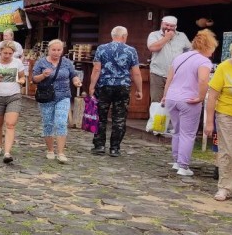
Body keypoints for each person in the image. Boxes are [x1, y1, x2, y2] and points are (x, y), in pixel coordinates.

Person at [161, 29, 218, 177]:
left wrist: (165, 95)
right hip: (189, 99)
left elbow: (169, 79)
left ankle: (176, 160)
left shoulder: (179, 57)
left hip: (172, 98)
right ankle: (183, 165)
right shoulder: (204, 61)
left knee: (177, 131)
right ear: (208, 46)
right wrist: (200, 96)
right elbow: (203, 80)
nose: (213, 52)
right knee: (188, 134)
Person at [88, 26, 143, 157]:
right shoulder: (131, 51)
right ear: (124, 36)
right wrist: (139, 89)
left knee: (101, 116)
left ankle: (99, 146)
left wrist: (91, 86)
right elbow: (136, 73)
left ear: (112, 36)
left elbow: (96, 70)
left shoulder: (102, 48)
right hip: (122, 87)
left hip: (104, 86)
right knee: (119, 118)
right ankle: (115, 148)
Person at [32, 39, 81, 163]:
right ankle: (50, 150)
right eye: (53, 50)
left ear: (62, 50)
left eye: (59, 50)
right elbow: (34, 79)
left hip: (63, 95)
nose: (56, 52)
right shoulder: (41, 62)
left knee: (60, 122)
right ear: (49, 50)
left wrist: (76, 81)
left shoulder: (67, 62)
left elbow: (73, 74)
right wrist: (43, 75)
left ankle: (61, 152)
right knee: (48, 123)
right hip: (46, 96)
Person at [0, 41, 26, 164]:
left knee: (10, 124)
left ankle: (7, 152)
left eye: (10, 53)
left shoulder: (17, 62)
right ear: (0, 52)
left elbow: (23, 77)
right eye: (5, 53)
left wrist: (22, 81)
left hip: (14, 96)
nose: (7, 55)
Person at [206, 39, 232, 201]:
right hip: (226, 114)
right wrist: (210, 121)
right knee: (227, 150)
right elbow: (212, 96)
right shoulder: (224, 68)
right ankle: (225, 187)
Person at [147, 15, 191, 103]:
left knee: (173, 101)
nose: (169, 28)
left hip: (176, 75)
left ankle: (170, 117)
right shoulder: (154, 34)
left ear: (176, 27)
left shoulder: (182, 36)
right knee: (157, 102)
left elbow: (189, 51)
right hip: (158, 74)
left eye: (172, 26)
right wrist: (167, 37)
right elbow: (153, 48)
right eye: (166, 25)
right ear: (161, 24)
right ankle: (156, 117)